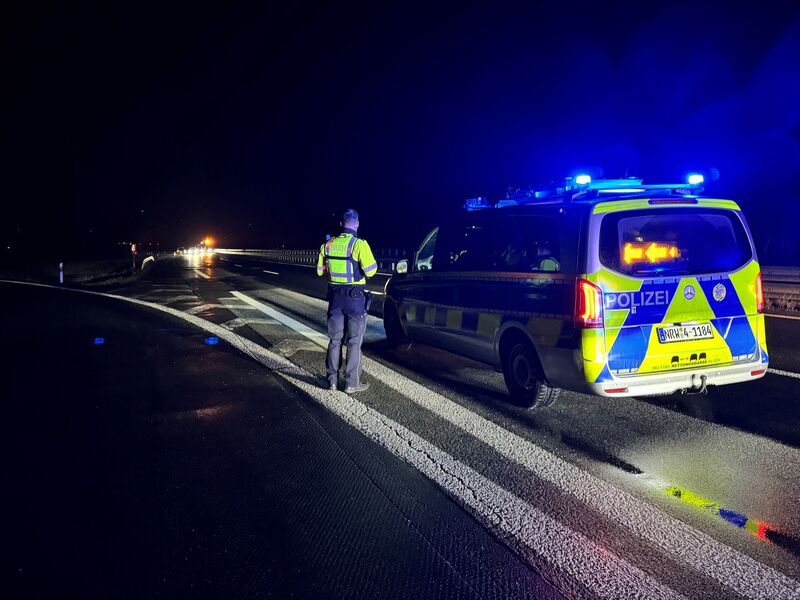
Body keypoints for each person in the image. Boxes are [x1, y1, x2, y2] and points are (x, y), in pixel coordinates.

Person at [316, 209, 378, 393]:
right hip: (355, 300)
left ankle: (332, 382)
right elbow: (371, 271)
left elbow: (319, 271)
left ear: (341, 224)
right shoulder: (359, 244)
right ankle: (351, 383)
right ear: (357, 224)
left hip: (335, 299)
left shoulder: (327, 245)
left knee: (334, 340)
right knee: (354, 342)